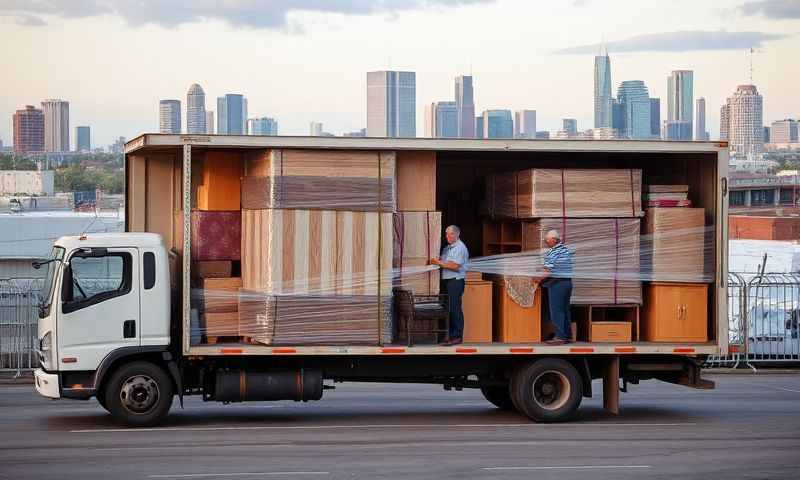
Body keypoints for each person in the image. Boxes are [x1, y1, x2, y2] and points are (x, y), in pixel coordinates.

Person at [430, 225, 469, 346]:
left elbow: (455, 266)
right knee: (447, 308)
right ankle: (449, 335)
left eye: (450, 234)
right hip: (447, 280)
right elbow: (443, 261)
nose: (447, 236)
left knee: (454, 308)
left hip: (455, 281)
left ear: (457, 235)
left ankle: (457, 336)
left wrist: (438, 263)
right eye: (446, 234)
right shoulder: (448, 248)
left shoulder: (460, 248)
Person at [538, 229, 574, 344]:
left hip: (557, 284)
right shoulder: (565, 250)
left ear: (554, 240)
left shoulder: (553, 252)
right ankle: (567, 336)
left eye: (547, 240)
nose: (546, 242)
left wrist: (536, 279)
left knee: (556, 311)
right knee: (564, 310)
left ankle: (560, 337)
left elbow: (547, 271)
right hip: (567, 283)